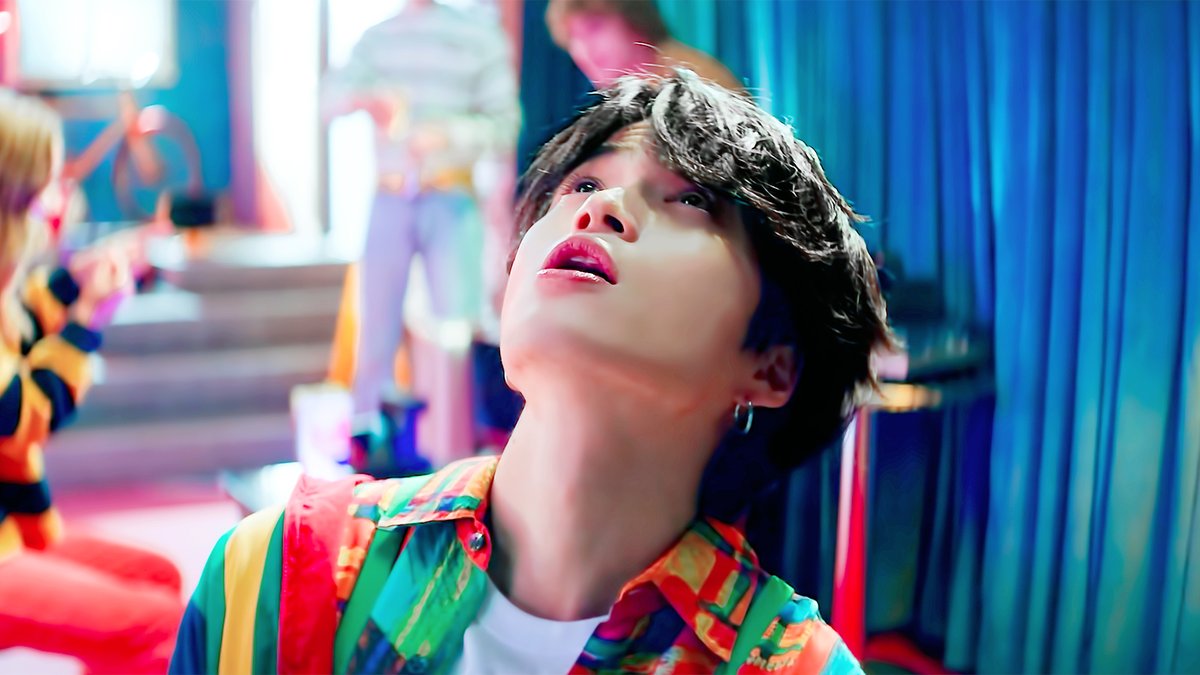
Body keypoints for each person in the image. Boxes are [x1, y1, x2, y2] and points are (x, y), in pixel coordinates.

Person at [171, 70, 891, 674]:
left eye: (689, 200)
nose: (602, 207)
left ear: (772, 366)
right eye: (580, 184)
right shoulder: (272, 580)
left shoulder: (792, 666)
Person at [0, 89, 183, 673]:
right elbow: (21, 420)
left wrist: (75, 281)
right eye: (47, 189)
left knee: (161, 578)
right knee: (164, 623)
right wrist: (86, 324)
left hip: (15, 529)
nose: (58, 201)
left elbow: (18, 324)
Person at [322, 0, 520, 473]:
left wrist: (447, 134)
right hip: (390, 196)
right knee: (376, 324)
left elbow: (505, 125)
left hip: (452, 197)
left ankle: (461, 446)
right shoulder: (377, 38)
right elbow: (328, 101)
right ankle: (368, 434)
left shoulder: (477, 36)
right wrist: (364, 99)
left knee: (457, 327)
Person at [546, 0, 744, 92]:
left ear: (633, 16)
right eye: (573, 41)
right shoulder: (624, 101)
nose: (584, 51)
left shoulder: (696, 77)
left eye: (593, 28)